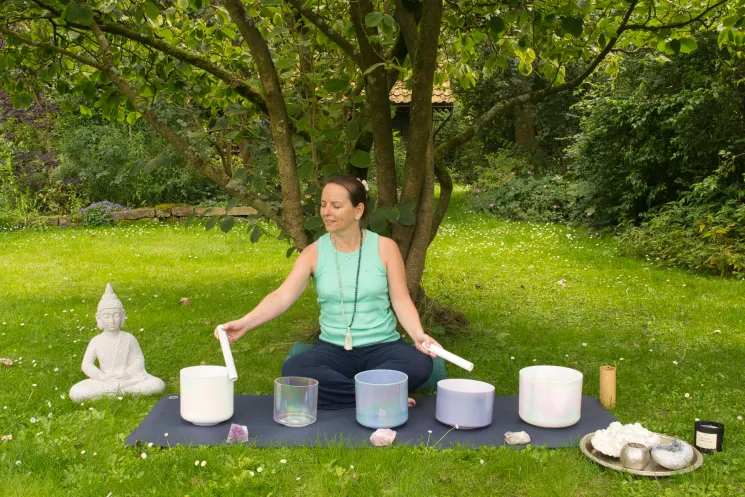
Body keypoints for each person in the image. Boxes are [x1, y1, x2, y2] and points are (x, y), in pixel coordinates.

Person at [215, 174, 441, 409]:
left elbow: (401, 299)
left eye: (336, 205)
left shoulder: (385, 248)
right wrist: (245, 323)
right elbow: (282, 296)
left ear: (358, 210)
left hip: (383, 347)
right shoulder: (314, 252)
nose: (326, 212)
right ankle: (377, 395)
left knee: (420, 364)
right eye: (323, 205)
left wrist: (418, 335)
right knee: (294, 370)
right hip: (333, 349)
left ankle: (353, 392)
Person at [70, 284, 165, 402]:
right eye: (106, 316)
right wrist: (103, 377)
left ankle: (109, 393)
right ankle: (118, 391)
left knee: (157, 384)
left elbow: (138, 360)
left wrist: (128, 374)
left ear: (123, 316)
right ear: (98, 318)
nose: (111, 321)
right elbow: (86, 365)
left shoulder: (129, 338)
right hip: (105, 381)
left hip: (127, 379)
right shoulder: (96, 341)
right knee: (76, 392)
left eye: (116, 315)